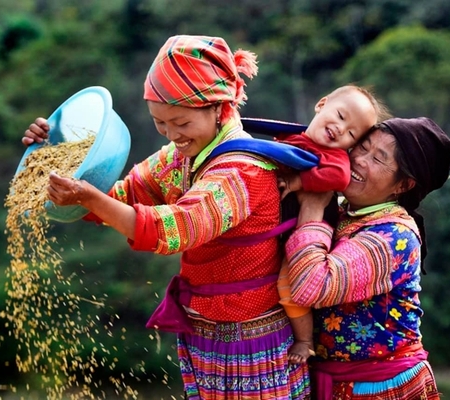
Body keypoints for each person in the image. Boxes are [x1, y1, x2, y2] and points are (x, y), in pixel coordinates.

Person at [22, 35, 310, 399]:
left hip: (252, 343)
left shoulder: (241, 172)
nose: (173, 135)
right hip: (206, 334)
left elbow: (175, 228)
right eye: (160, 123)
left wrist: (89, 198)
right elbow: (119, 199)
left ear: (219, 109)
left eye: (182, 123)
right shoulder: (182, 158)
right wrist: (53, 152)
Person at [284, 117, 450, 399]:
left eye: (378, 158)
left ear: (403, 185)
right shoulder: (342, 210)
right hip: (333, 380)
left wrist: (311, 210)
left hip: (382, 387)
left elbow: (311, 287)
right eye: (361, 147)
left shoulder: (393, 237)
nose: (359, 160)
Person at [274, 85, 390, 364]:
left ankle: (304, 340)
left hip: (313, 230)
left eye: (351, 133)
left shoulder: (334, 158)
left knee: (287, 286)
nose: (340, 129)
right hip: (282, 226)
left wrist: (299, 182)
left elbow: (337, 178)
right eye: (339, 116)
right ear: (321, 103)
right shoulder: (293, 138)